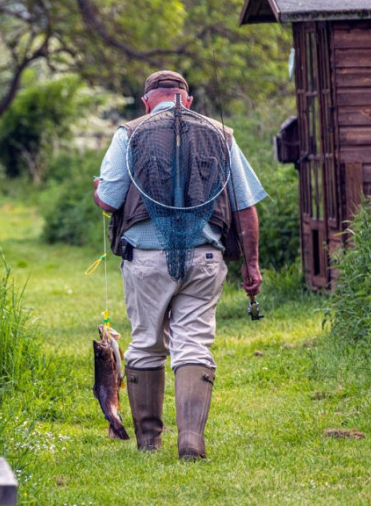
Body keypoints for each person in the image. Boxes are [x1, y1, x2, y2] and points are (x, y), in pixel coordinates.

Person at [92, 70, 265, 460]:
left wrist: (97, 192)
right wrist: (251, 265)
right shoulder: (222, 134)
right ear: (186, 100)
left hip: (145, 258)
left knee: (146, 345)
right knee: (194, 344)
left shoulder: (129, 132)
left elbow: (109, 199)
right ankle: (190, 442)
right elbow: (245, 206)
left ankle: (149, 443)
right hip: (205, 256)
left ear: (146, 101)